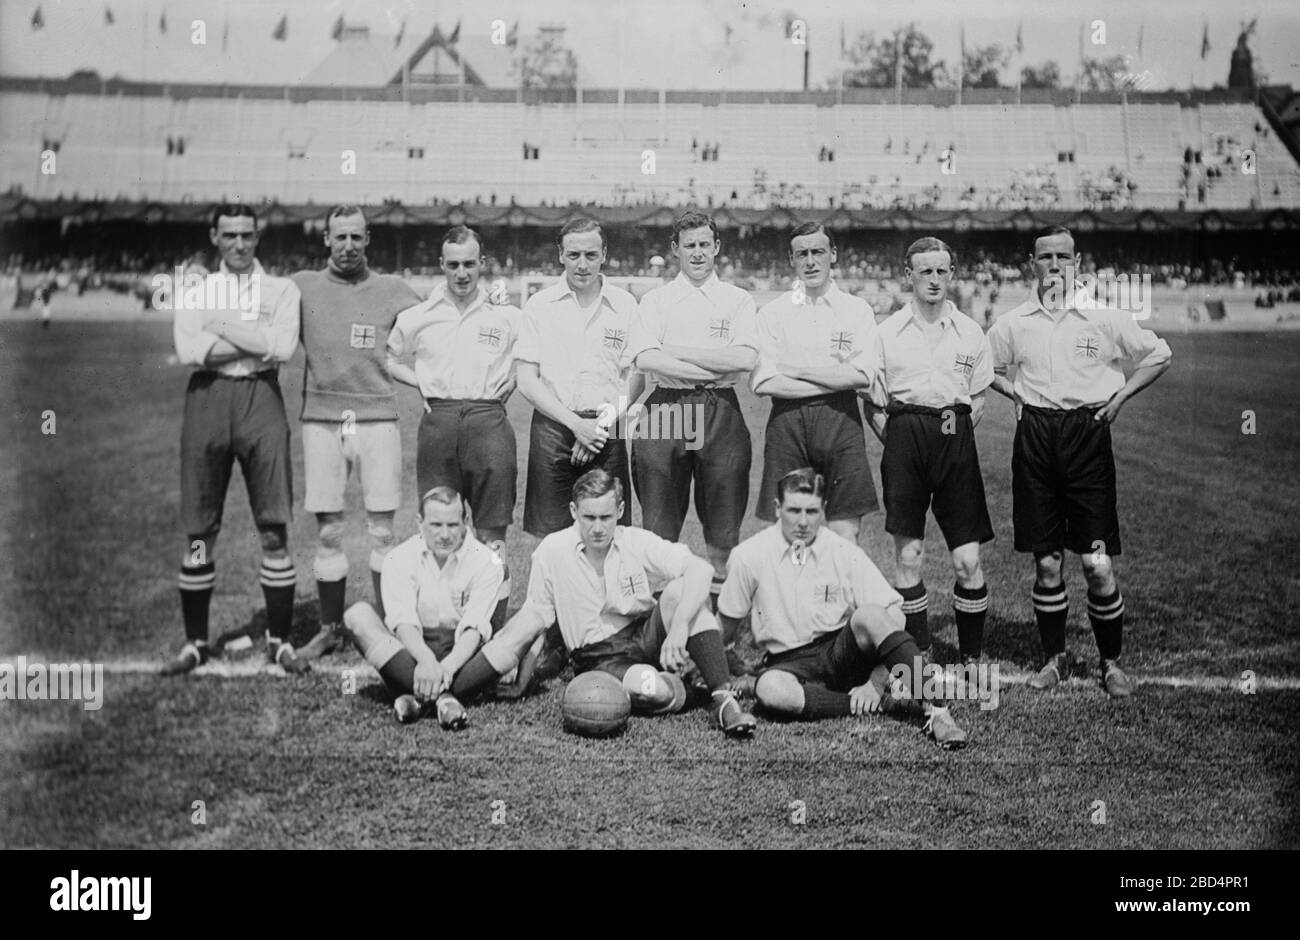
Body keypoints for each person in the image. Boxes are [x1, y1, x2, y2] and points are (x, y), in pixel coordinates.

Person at [987, 226, 1172, 697]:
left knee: (1096, 563)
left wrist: (1122, 397)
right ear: (1033, 263)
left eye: (1063, 257)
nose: (1054, 265)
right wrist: (1015, 394)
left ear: (1077, 261)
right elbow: (975, 365)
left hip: (1087, 436)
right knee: (1047, 562)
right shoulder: (1014, 322)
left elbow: (1159, 354)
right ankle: (1055, 659)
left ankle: (1111, 663)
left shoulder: (1104, 317)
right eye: (1045, 257)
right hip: (1036, 438)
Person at [444, 469, 758, 738]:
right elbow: (537, 616)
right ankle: (448, 692)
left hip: (642, 632)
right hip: (600, 656)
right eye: (589, 517)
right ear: (572, 511)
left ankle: (723, 698)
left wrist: (677, 629)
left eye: (606, 517)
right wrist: (524, 676)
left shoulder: (633, 540)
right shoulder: (552, 552)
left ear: (620, 510)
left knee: (680, 589)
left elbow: (701, 570)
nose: (597, 527)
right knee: (651, 690)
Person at [718, 468, 968, 749]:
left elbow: (894, 611)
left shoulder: (841, 550)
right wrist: (711, 667)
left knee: (872, 615)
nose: (802, 522)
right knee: (770, 690)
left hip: (839, 652)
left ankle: (937, 711)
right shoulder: (749, 555)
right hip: (787, 662)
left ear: (823, 509)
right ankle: (884, 705)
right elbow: (724, 625)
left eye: (811, 512)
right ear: (777, 509)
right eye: (793, 510)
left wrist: (876, 680)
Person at [163, 204, 307, 675]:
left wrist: (219, 328)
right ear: (214, 236)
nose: (240, 244)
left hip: (261, 399)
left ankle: (280, 640)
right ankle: (195, 642)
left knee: (273, 524)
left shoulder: (281, 289)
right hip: (207, 400)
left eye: (247, 234)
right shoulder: (196, 289)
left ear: (258, 235)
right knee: (200, 527)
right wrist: (256, 336)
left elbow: (283, 348)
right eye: (230, 236)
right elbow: (189, 351)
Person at [630, 210, 759, 672]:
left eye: (706, 244)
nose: (699, 253)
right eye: (690, 246)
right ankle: (657, 634)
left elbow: (743, 361)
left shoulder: (737, 300)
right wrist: (709, 363)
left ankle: (717, 639)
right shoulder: (656, 300)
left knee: (722, 529)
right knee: (658, 526)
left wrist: (676, 352)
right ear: (676, 250)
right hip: (665, 407)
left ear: (717, 247)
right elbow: (646, 357)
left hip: (720, 408)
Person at [293, 206, 422, 658]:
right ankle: (329, 627)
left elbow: (437, 330)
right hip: (323, 421)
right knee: (328, 530)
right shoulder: (301, 287)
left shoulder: (393, 290)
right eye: (339, 237)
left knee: (382, 531)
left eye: (356, 237)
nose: (348, 245)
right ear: (326, 240)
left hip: (378, 420)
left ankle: (388, 627)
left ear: (368, 239)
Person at [862, 237, 994, 665]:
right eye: (925, 272)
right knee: (909, 554)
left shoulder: (971, 332)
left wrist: (947, 437)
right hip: (905, 438)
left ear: (951, 274)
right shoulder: (886, 333)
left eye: (941, 271)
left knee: (967, 561)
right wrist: (901, 439)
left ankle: (971, 656)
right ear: (909, 276)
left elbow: (977, 399)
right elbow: (873, 403)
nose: (934, 280)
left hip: (954, 439)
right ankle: (918, 650)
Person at [387, 225, 521, 555]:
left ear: (482, 263)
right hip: (439, 422)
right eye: (453, 265)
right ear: (441, 264)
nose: (462, 273)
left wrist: (516, 375)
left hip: (489, 420)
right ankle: (444, 606)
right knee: (441, 529)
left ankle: (491, 608)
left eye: (469, 264)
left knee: (493, 535)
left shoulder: (507, 316)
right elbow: (387, 357)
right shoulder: (417, 316)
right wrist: (420, 381)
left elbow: (537, 355)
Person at [516, 219, 652, 539]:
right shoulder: (540, 306)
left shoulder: (625, 305)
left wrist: (600, 426)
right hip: (553, 427)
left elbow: (637, 378)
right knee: (550, 538)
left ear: (604, 254)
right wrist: (577, 426)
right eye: (574, 254)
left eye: (591, 255)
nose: (582, 264)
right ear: (560, 255)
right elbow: (526, 379)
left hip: (608, 429)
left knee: (610, 534)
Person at [336, 487, 507, 727]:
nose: (445, 534)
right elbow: (403, 622)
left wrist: (444, 668)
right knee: (357, 616)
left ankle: (418, 697)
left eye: (453, 525)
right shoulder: (398, 557)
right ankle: (445, 699)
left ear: (465, 522)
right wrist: (426, 661)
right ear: (420, 523)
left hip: (462, 659)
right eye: (436, 525)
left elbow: (474, 629)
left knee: (526, 624)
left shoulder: (487, 561)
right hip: (413, 655)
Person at [752, 222, 879, 543]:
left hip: (841, 420)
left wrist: (795, 369)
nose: (810, 261)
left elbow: (863, 375)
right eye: (802, 254)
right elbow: (764, 381)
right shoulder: (774, 312)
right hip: (787, 421)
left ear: (832, 254)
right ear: (791, 260)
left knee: (844, 531)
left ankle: (837, 594)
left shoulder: (856, 310)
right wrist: (836, 379)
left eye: (818, 252)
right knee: (786, 530)